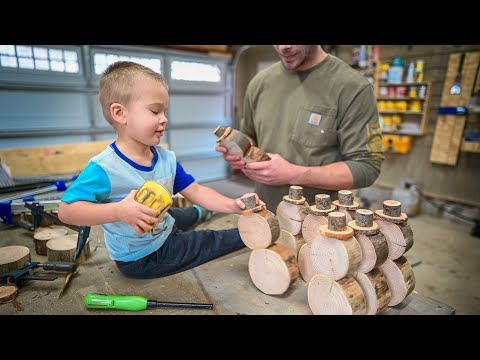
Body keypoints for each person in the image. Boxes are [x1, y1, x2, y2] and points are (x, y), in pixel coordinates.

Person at [58, 61, 264, 279]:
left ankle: (200, 213)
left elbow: (196, 191)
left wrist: (232, 205)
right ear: (120, 113)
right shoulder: (104, 168)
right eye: (155, 111)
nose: (164, 119)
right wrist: (119, 212)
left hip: (162, 224)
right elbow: (66, 211)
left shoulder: (165, 158)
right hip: (144, 256)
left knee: (178, 214)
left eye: (164, 111)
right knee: (205, 241)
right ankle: (248, 235)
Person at [217, 45, 384, 211]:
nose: (283, 47)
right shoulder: (259, 83)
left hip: (323, 224)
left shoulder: (352, 87)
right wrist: (240, 150)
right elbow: (251, 136)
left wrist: (292, 174)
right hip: (264, 213)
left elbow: (366, 168)